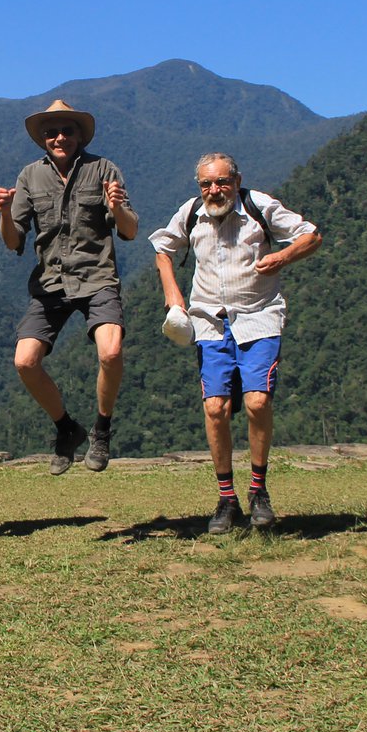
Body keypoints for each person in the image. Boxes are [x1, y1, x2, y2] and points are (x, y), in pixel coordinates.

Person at [151, 154, 321, 534]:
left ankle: (258, 491)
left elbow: (311, 235)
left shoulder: (259, 207)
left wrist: (282, 256)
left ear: (237, 180)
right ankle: (227, 499)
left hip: (259, 317)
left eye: (222, 182)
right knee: (216, 408)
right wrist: (173, 294)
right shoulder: (192, 212)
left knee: (258, 401)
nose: (215, 191)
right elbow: (163, 249)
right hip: (210, 323)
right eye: (207, 184)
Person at [0, 99, 137, 474]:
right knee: (25, 362)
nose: (59, 138)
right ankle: (65, 427)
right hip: (50, 282)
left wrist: (117, 206)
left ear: (79, 135)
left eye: (67, 131)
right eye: (51, 132)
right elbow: (13, 241)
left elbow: (129, 229)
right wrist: (5, 214)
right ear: (42, 138)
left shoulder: (103, 169)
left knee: (110, 353)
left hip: (97, 277)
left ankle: (101, 430)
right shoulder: (29, 176)